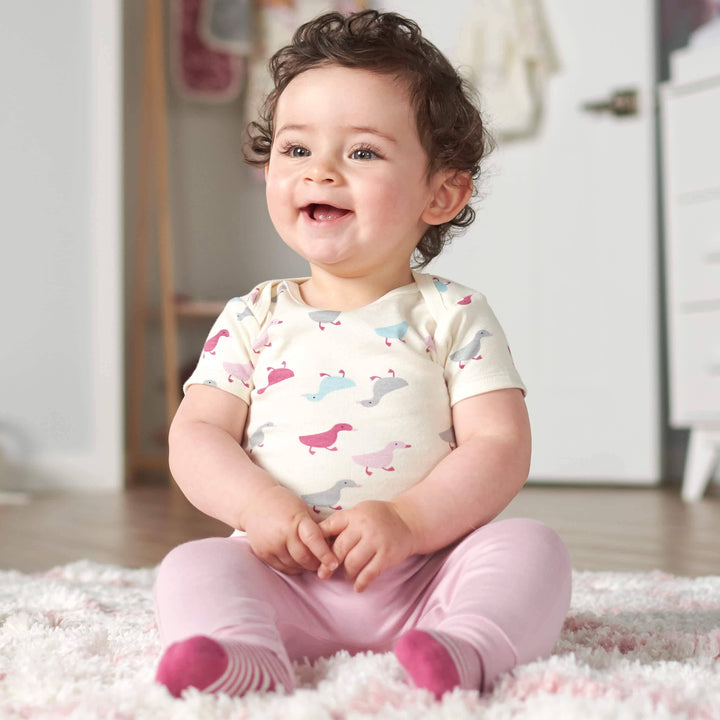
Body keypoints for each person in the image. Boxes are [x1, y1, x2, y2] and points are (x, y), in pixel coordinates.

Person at [153, 9, 572, 701]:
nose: (319, 170)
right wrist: (258, 505)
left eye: (363, 153)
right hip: (283, 573)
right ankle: (245, 652)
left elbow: (499, 444)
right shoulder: (252, 317)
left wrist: (408, 523)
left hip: (427, 576)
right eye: (295, 148)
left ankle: (467, 645)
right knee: (192, 566)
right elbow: (197, 435)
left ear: (441, 193)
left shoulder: (454, 314)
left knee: (533, 548)